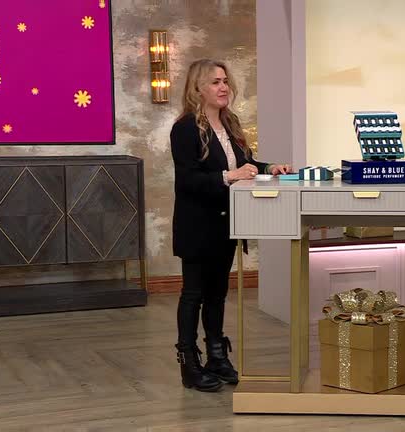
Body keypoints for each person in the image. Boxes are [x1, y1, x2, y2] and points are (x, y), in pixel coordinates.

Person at [170, 59, 290, 392]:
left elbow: (244, 164)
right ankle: (189, 363)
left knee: (218, 294)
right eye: (214, 82)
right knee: (194, 293)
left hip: (227, 223)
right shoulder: (184, 128)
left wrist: (269, 167)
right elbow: (188, 180)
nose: (223, 87)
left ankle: (217, 356)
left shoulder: (230, 123)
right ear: (198, 89)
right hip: (198, 225)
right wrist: (230, 177)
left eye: (225, 81)